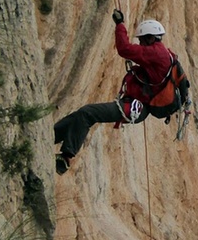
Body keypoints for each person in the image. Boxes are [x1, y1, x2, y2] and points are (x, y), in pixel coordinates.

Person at [54, 10, 176, 175]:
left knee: (87, 113)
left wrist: (119, 25)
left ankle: (66, 157)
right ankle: (51, 136)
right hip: (137, 104)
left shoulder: (156, 52)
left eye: (141, 40)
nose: (140, 43)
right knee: (80, 115)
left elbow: (124, 49)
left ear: (150, 38)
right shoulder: (162, 52)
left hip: (137, 106)